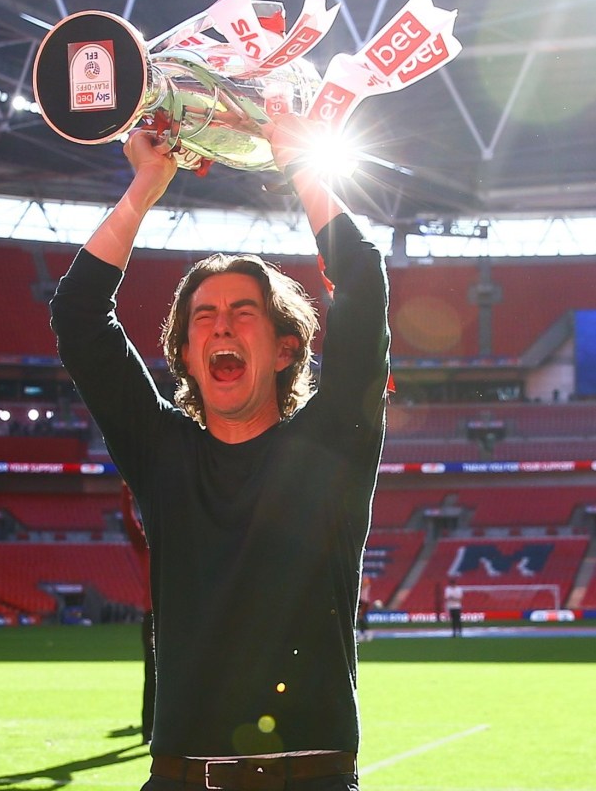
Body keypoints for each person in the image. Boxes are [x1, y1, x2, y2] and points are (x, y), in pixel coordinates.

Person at [50, 113, 390, 791]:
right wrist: (147, 186)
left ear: (285, 348)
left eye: (243, 312)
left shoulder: (331, 448)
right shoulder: (159, 452)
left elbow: (362, 279)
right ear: (183, 354)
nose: (221, 325)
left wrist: (300, 164)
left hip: (309, 779)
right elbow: (79, 314)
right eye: (202, 316)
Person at [121, 481, 156, 744]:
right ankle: (148, 730)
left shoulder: (172, 545)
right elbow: (129, 522)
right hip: (155, 617)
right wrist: (127, 492)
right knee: (153, 674)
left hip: (170, 615)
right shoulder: (145, 545)